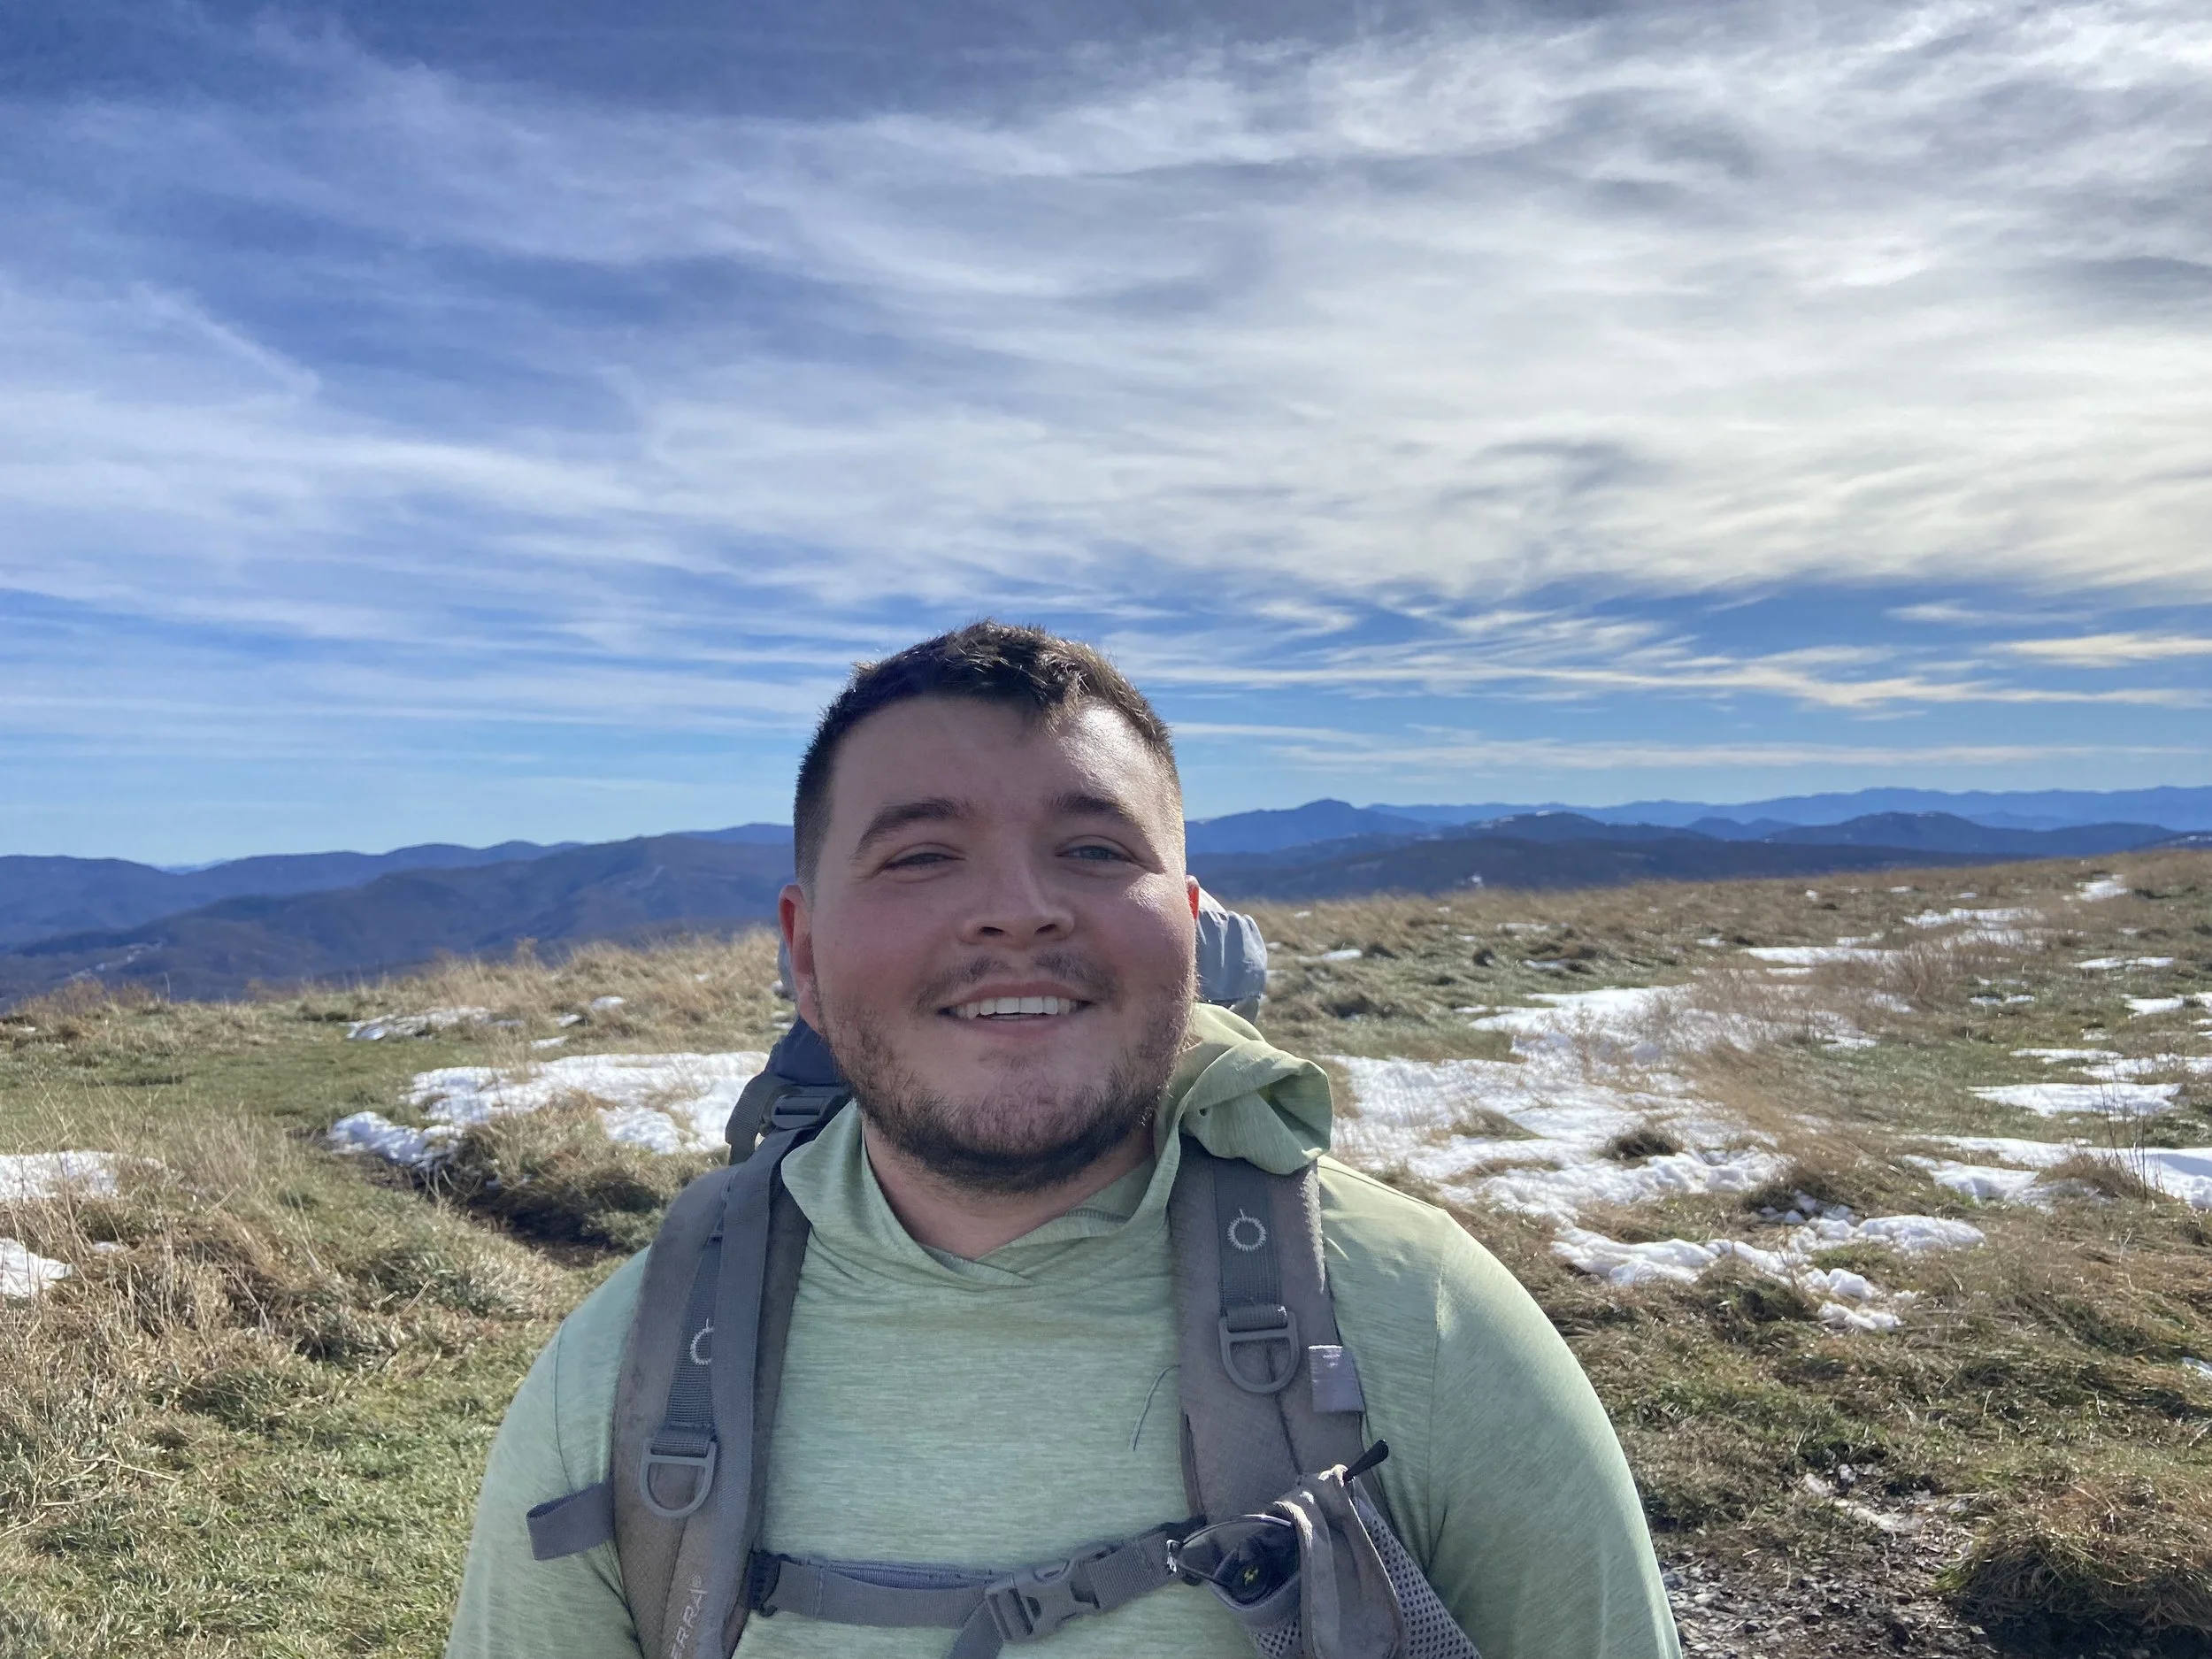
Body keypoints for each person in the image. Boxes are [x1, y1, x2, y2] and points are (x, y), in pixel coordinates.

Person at [445, 621, 1680, 1659]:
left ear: (1192, 937)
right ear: (805, 954)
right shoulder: (624, 1379)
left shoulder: (1425, 1324)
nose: (1019, 910)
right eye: (921, 854)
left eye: (1094, 849)